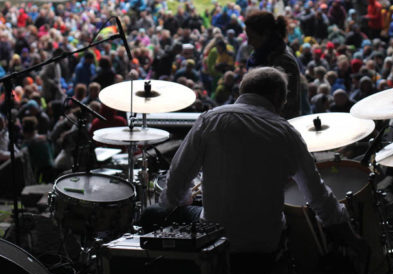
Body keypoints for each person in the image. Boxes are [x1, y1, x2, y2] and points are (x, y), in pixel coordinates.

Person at [145, 67, 361, 262]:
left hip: (216, 241)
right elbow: (318, 197)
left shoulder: (210, 119)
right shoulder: (286, 133)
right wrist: (350, 236)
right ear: (277, 96)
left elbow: (175, 182)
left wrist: (183, 199)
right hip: (266, 245)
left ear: (243, 91)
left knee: (152, 214)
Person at [244, 10, 304, 119]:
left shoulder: (283, 62)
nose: (248, 42)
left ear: (265, 35)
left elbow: (287, 107)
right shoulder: (262, 55)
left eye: (252, 37)